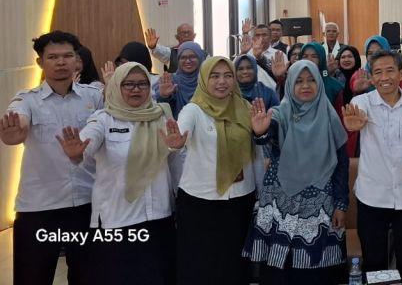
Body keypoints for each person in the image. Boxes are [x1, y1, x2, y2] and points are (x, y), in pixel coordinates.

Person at [56, 62, 176, 285]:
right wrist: (78, 151)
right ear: (116, 86)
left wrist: (177, 148)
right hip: (117, 220)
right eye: (128, 84)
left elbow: (175, 164)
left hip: (159, 217)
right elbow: (89, 140)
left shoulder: (162, 116)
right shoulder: (103, 119)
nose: (136, 89)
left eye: (142, 84)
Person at [1, 31, 103, 285]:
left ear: (77, 60)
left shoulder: (94, 96)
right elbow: (18, 121)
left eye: (67, 56)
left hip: (87, 205)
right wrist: (15, 130)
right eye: (53, 57)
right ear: (40, 62)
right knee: (32, 277)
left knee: (89, 277)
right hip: (39, 208)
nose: (61, 62)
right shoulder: (27, 99)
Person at [246, 60, 349, 284]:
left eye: (311, 80)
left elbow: (342, 164)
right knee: (278, 269)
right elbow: (267, 133)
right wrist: (261, 133)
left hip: (320, 202)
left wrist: (341, 204)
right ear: (290, 84)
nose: (305, 86)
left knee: (316, 269)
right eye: (299, 81)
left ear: (319, 83)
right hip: (280, 202)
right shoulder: (279, 112)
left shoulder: (330, 116)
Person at [160, 56, 257, 285]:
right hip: (200, 203)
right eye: (214, 76)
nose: (222, 82)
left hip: (239, 200)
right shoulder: (194, 109)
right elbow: (182, 131)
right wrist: (175, 143)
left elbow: (259, 153)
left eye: (227, 75)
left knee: (234, 266)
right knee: (200, 266)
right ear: (204, 79)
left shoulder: (245, 108)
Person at [341, 51, 402, 283]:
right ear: (371, 77)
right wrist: (351, 127)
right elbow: (352, 124)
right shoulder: (361, 103)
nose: (384, 77)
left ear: (401, 73)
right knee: (374, 261)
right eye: (378, 72)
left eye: (390, 70)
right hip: (372, 196)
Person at [155, 41, 207, 118]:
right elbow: (162, 110)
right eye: (183, 57)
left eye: (192, 57)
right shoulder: (171, 81)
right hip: (177, 124)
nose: (188, 61)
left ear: (200, 58)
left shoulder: (207, 81)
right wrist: (164, 96)